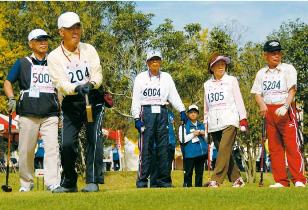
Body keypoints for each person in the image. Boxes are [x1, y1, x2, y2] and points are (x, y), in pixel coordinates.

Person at [47, 12, 104, 193]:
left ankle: (92, 181)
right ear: (61, 32)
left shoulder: (89, 49)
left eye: (77, 27)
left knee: (94, 139)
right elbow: (60, 82)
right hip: (71, 102)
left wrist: (92, 84)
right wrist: (76, 88)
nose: (75, 31)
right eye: (71, 28)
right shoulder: (54, 57)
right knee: (66, 144)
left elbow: (97, 72)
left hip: (93, 98)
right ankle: (70, 182)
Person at [3, 29, 61, 192]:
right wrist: (11, 98)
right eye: (39, 39)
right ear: (31, 43)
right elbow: (8, 82)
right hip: (28, 112)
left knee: (52, 148)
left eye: (45, 39)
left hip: (50, 113)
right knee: (26, 150)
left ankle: (52, 183)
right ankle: (26, 183)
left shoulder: (54, 62)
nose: (44, 42)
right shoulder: (22, 63)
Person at [251, 40, 306, 188]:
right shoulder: (261, 73)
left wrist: (286, 105)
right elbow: (257, 93)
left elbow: (292, 89)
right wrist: (262, 105)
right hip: (269, 111)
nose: (276, 56)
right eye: (273, 53)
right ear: (265, 55)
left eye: (278, 53)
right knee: (275, 148)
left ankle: (299, 179)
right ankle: (281, 180)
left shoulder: (288, 69)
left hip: (285, 110)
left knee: (292, 145)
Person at [131, 50, 186, 188]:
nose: (155, 62)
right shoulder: (140, 77)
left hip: (162, 111)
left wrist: (182, 109)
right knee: (146, 148)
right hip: (147, 111)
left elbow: (173, 95)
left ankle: (164, 180)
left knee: (164, 147)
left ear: (160, 62)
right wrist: (136, 117)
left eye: (157, 60)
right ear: (147, 63)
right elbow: (136, 99)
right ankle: (142, 181)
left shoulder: (166, 77)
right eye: (152, 60)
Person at [204, 53, 248, 188]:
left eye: (223, 64)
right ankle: (237, 179)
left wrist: (243, 118)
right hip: (213, 122)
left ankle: (215, 180)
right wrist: (205, 124)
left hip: (230, 119)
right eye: (218, 64)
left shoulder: (232, 80)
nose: (221, 67)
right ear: (212, 68)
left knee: (223, 149)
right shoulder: (206, 84)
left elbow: (238, 99)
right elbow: (206, 106)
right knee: (225, 153)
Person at [179, 105, 208, 187]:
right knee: (188, 173)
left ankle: (198, 189)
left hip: (201, 153)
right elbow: (182, 139)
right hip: (190, 153)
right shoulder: (183, 126)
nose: (193, 114)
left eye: (195, 112)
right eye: (191, 112)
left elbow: (208, 139)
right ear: (188, 114)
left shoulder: (201, 125)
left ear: (198, 114)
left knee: (199, 173)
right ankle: (188, 188)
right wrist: (193, 134)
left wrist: (204, 134)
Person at [150, 109, 176, 187]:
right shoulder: (154, 112)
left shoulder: (171, 113)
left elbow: (172, 129)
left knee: (167, 166)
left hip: (170, 143)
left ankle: (167, 183)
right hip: (157, 144)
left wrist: (173, 142)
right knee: (155, 166)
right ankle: (154, 184)